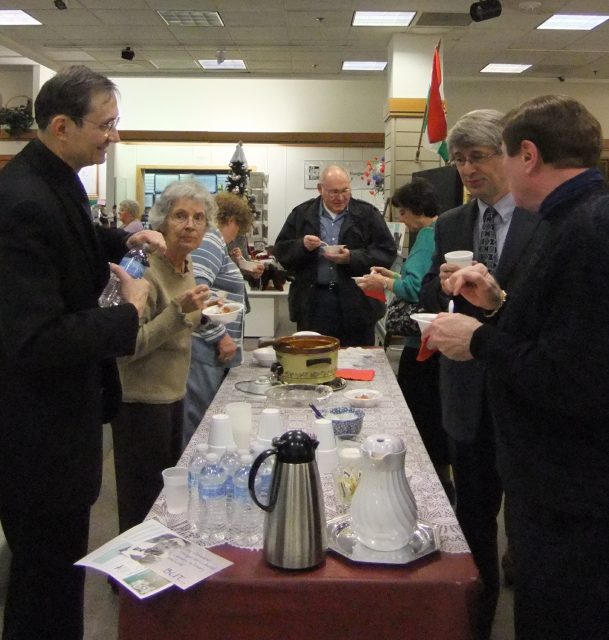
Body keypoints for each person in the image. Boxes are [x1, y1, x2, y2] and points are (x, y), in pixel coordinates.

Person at [426, 94, 609, 640]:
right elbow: (561, 331)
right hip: (546, 470)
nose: (474, 170)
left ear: (526, 156)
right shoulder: (573, 219)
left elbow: (573, 376)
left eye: (495, 156)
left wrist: (480, 339)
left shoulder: (585, 231)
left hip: (568, 487)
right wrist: (498, 305)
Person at [0, 65, 162, 640]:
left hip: (62, 426)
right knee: (43, 588)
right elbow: (36, 338)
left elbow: (72, 240)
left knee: (60, 576)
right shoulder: (21, 201)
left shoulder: (56, 179)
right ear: (62, 126)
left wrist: (124, 237)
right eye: (106, 125)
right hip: (36, 435)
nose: (114, 136)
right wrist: (129, 313)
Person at [418, 109, 539, 640]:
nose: (467, 169)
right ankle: (478, 620)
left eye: (478, 157)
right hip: (466, 393)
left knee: (531, 524)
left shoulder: (543, 218)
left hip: (527, 393)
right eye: (460, 160)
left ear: (509, 156)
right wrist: (444, 284)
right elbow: (427, 295)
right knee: (473, 519)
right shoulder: (450, 223)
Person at [111, 180, 211, 535]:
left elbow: (180, 325)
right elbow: (127, 345)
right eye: (180, 216)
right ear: (161, 222)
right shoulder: (142, 268)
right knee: (141, 504)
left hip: (173, 395)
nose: (190, 225)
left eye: (198, 218)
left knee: (166, 500)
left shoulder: (186, 264)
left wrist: (200, 316)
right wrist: (178, 313)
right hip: (140, 402)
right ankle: (131, 567)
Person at [356, 179, 452, 496]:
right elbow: (422, 278)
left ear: (413, 210)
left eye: (403, 212)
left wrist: (383, 283)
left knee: (421, 418)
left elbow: (414, 289)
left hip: (420, 344)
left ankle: (429, 485)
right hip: (439, 342)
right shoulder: (445, 229)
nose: (401, 219)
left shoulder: (426, 236)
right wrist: (393, 275)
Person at [274, 164, 396, 346]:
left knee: (358, 357)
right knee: (314, 355)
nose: (340, 197)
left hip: (358, 303)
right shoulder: (302, 214)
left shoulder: (367, 214)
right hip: (313, 303)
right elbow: (281, 252)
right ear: (320, 189)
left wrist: (351, 257)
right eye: (333, 192)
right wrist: (302, 246)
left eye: (345, 190)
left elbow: (387, 252)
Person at [182, 192, 252, 448]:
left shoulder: (212, 242)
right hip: (205, 347)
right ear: (231, 220)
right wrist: (220, 336)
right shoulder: (211, 239)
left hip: (208, 348)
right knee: (201, 426)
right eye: (238, 229)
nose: (236, 236)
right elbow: (198, 292)